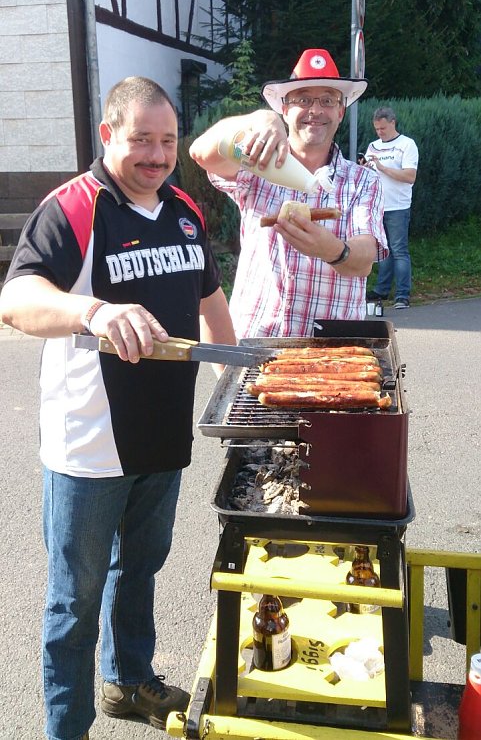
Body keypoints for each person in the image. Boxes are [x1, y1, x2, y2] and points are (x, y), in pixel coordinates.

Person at [0, 76, 236, 740]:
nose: (158, 155)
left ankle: (129, 682)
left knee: (139, 568)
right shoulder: (73, 208)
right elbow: (15, 300)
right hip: (89, 446)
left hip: (162, 439)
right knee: (73, 602)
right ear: (109, 135)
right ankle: (64, 728)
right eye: (142, 140)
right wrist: (93, 311)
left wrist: (239, 385)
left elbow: (211, 305)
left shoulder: (184, 208)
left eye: (167, 141)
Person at [189, 48, 388, 338]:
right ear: (284, 109)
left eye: (328, 100)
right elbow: (201, 152)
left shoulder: (363, 181)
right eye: (303, 99)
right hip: (257, 340)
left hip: (332, 350)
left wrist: (329, 249)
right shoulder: (258, 162)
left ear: (341, 111)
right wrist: (258, 119)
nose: (316, 110)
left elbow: (364, 260)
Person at [364, 106, 418, 309]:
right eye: (377, 129)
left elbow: (409, 176)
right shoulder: (373, 146)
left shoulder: (407, 145)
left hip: (398, 206)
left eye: (383, 128)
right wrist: (365, 168)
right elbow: (369, 175)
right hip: (377, 206)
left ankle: (403, 294)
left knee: (399, 250)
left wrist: (383, 168)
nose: (380, 132)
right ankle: (381, 290)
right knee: (382, 251)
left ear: (393, 122)